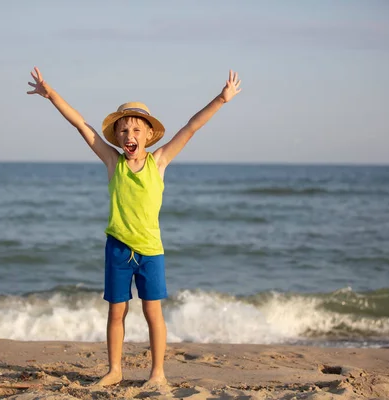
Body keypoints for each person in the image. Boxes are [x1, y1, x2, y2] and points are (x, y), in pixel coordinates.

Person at [26, 67, 241, 388]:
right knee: (116, 312)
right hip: (117, 248)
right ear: (118, 137)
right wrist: (51, 95)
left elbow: (191, 128)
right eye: (124, 131)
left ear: (149, 135)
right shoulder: (113, 163)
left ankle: (158, 373)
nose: (130, 136)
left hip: (151, 250)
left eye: (137, 130)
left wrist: (221, 100)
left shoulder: (160, 161)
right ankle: (114, 370)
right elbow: (82, 126)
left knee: (153, 313)